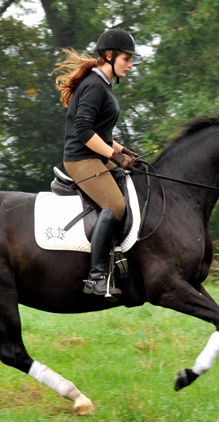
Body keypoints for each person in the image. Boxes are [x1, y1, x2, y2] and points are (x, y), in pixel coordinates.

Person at [54, 29, 140, 299]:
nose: (130, 64)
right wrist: (115, 157)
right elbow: (83, 130)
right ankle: (96, 277)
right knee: (115, 205)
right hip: (81, 160)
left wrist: (124, 150)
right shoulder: (94, 85)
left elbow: (101, 134)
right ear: (109, 55)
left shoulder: (104, 85)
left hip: (95, 156)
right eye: (126, 59)